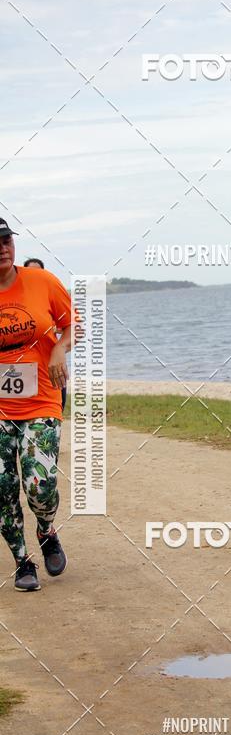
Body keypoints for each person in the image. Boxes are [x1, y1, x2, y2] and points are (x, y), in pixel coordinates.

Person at [0, 220, 72, 591]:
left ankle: (46, 530)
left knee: (40, 484)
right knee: (2, 488)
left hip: (41, 399)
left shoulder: (42, 282)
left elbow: (71, 324)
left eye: (6, 240)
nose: (2, 248)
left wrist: (59, 348)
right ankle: (22, 562)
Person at [23, 258, 68, 413]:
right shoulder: (18, 294)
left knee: (57, 404)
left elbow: (71, 326)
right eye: (30, 272)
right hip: (21, 364)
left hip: (49, 361)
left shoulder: (50, 294)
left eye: (39, 272)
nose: (35, 276)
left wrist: (59, 344)